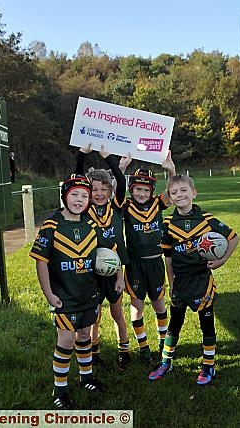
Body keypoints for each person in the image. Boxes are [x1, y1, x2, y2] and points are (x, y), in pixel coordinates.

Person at [148, 174, 239, 385]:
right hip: (180, 282)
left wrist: (222, 260)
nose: (179, 195)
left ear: (193, 193)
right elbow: (168, 257)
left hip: (202, 282)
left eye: (183, 191)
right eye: (174, 192)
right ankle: (165, 362)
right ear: (169, 198)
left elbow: (234, 237)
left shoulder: (206, 219)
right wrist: (171, 283)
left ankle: (208, 366)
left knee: (206, 325)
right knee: (175, 323)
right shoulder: (168, 223)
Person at [29, 174, 110, 409]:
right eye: (74, 194)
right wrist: (48, 294)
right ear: (64, 196)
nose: (80, 199)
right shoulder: (51, 226)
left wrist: (116, 276)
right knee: (65, 341)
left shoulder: (91, 226)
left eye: (85, 195)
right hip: (64, 296)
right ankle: (60, 391)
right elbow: (41, 262)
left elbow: (108, 254)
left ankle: (87, 377)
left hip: (88, 293)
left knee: (84, 335)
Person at [75, 144, 131, 371]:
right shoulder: (85, 207)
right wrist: (82, 155)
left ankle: (124, 350)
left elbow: (120, 179)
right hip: (91, 273)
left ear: (110, 191)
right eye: (94, 189)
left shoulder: (116, 207)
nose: (98, 193)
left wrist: (108, 158)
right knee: (94, 317)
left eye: (103, 189)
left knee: (117, 314)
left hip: (115, 272)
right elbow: (77, 177)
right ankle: (95, 351)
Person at [118, 153, 176, 364]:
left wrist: (171, 170)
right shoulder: (126, 206)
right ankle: (143, 346)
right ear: (131, 189)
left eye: (146, 189)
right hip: (135, 264)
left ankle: (163, 342)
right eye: (137, 189)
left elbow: (172, 191)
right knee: (137, 306)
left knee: (160, 305)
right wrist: (121, 168)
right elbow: (114, 193)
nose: (142, 193)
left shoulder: (157, 204)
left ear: (151, 191)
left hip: (155, 263)